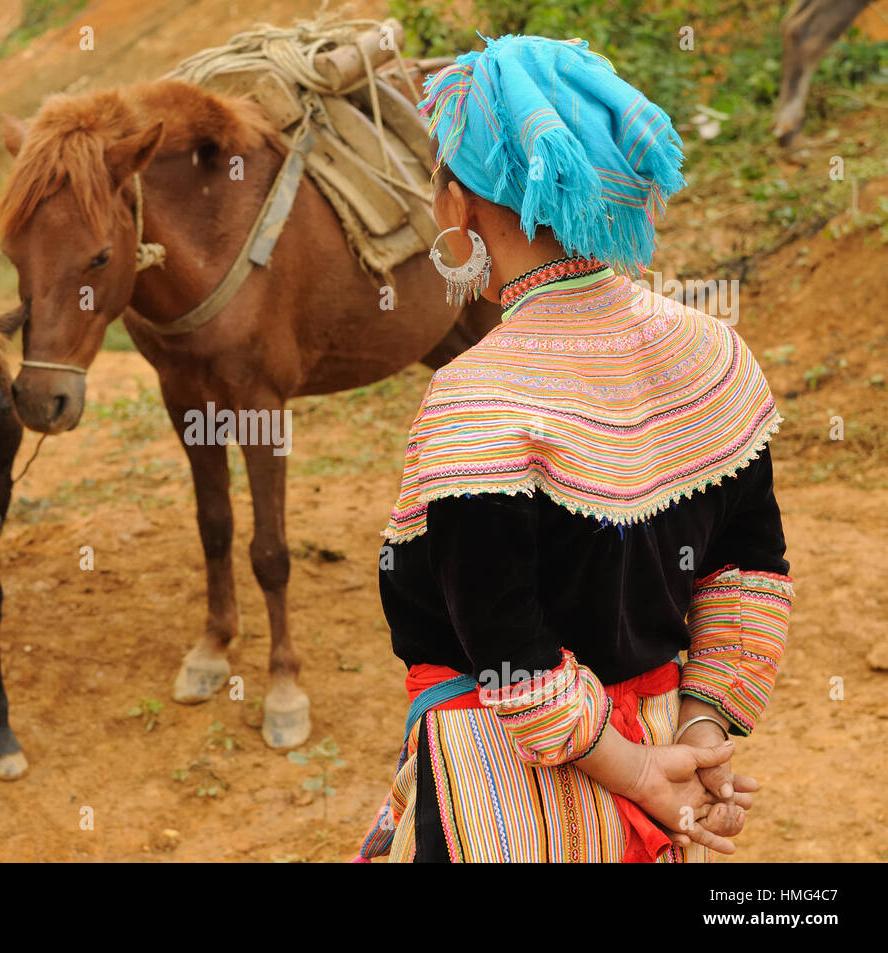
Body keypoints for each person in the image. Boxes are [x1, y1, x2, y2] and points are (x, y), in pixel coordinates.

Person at [355, 34, 794, 863]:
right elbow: (749, 572)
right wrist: (696, 733)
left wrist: (641, 774)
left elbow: (504, 643)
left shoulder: (479, 394)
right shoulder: (716, 356)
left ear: (462, 204)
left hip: (506, 789)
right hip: (664, 748)